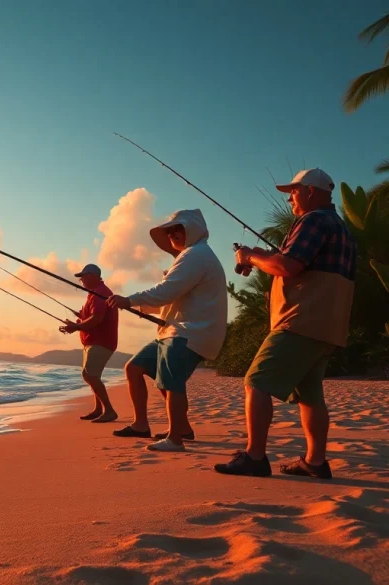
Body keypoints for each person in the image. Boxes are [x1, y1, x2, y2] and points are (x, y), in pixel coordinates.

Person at [215, 169, 356, 479]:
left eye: (294, 190)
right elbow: (301, 264)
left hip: (301, 320)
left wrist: (251, 257)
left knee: (256, 380)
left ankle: (254, 457)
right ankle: (315, 462)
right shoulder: (341, 228)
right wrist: (261, 255)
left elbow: (289, 266)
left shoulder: (313, 221)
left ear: (310, 191)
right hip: (328, 324)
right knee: (309, 393)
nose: (290, 197)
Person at [107, 209, 227, 452]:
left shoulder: (196, 255)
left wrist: (128, 300)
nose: (172, 234)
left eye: (178, 229)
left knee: (171, 381)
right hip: (174, 330)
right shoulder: (190, 256)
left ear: (192, 229)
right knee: (134, 368)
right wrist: (134, 303)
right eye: (169, 231)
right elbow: (168, 297)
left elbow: (166, 291)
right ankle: (148, 425)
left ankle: (175, 438)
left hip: (190, 331)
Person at [59, 264, 120, 423]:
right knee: (93, 376)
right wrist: (79, 320)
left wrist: (76, 326)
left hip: (101, 341)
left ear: (93, 275)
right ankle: (99, 409)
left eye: (83, 276)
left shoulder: (100, 293)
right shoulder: (94, 294)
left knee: (89, 375)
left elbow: (97, 319)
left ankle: (109, 410)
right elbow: (93, 316)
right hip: (93, 341)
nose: (81, 280)